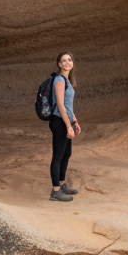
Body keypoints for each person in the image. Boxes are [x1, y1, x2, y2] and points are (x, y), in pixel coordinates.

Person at [48, 52, 81, 202]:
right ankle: (55, 191)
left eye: (70, 60)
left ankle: (62, 184)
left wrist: (75, 122)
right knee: (58, 156)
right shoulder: (60, 80)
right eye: (64, 61)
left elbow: (68, 106)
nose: (67, 63)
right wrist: (68, 125)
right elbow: (60, 105)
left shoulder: (67, 80)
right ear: (59, 64)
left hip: (66, 121)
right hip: (59, 122)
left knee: (66, 154)